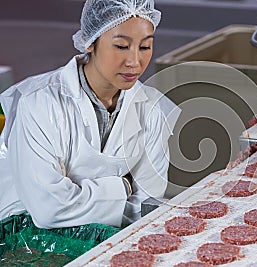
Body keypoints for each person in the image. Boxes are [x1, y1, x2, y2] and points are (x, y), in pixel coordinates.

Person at [0, 0, 180, 229]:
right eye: (121, 46)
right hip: (23, 242)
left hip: (108, 243)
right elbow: (48, 211)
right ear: (88, 41)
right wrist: (124, 187)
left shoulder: (152, 108)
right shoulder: (38, 102)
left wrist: (77, 197)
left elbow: (146, 205)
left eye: (145, 47)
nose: (134, 61)